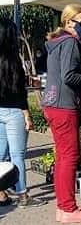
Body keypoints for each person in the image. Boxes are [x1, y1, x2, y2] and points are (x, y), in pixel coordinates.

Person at [41, 4, 81, 223]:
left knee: (63, 156)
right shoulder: (71, 43)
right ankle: (67, 208)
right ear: (68, 22)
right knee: (69, 157)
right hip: (64, 106)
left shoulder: (57, 43)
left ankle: (64, 205)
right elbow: (69, 76)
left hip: (53, 103)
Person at [0, 17, 42, 207]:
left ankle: (1, 191)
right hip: (14, 110)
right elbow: (19, 90)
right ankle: (23, 194)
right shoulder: (13, 59)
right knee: (17, 154)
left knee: (0, 154)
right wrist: (26, 113)